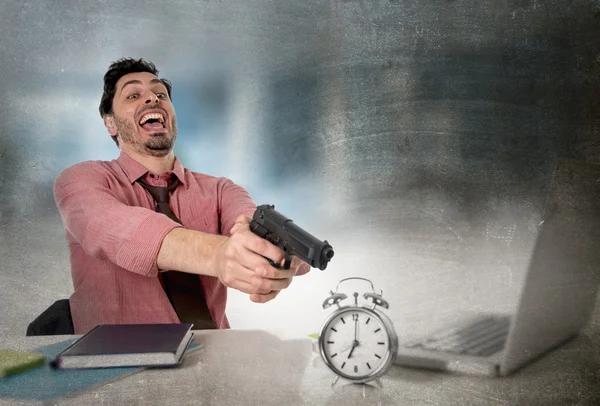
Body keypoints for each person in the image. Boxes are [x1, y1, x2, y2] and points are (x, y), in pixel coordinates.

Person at [53, 58, 310, 334]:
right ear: (111, 124)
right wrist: (219, 255)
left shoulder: (221, 190)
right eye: (133, 94)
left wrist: (273, 254)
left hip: (215, 357)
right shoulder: (81, 179)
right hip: (115, 365)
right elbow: (113, 227)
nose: (152, 98)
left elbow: (247, 224)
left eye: (160, 93)